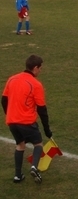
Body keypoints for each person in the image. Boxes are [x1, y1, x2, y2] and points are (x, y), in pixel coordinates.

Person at [1, 55, 53, 184]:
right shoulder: (36, 84)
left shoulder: (12, 79)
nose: (40, 71)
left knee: (20, 145)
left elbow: (3, 100)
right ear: (35, 68)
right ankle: (34, 167)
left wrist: (9, 114)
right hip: (27, 121)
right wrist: (47, 130)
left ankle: (17, 175)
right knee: (38, 144)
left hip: (12, 121)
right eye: (40, 68)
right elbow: (42, 110)